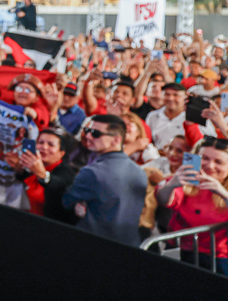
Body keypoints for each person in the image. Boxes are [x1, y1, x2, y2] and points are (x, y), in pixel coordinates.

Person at [62, 115, 148, 246]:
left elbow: (66, 202)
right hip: (130, 247)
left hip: (94, 245)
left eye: (96, 134)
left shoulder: (91, 173)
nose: (88, 137)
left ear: (116, 140)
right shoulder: (140, 172)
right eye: (87, 131)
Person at [156, 136, 228, 274]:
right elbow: (165, 201)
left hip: (217, 256)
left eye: (218, 161)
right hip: (179, 248)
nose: (210, 166)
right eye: (204, 158)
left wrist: (222, 193)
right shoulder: (185, 178)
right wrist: (172, 184)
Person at [19, 128, 78, 224]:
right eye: (41, 142)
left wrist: (43, 175)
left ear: (61, 153)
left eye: (50, 144)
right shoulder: (30, 165)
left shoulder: (67, 173)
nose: (44, 147)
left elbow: (59, 185)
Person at [145, 83, 216, 150]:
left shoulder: (195, 117)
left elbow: (211, 141)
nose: (170, 98)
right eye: (167, 94)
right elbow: (147, 139)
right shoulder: (153, 116)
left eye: (176, 95)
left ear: (185, 97)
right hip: (158, 158)